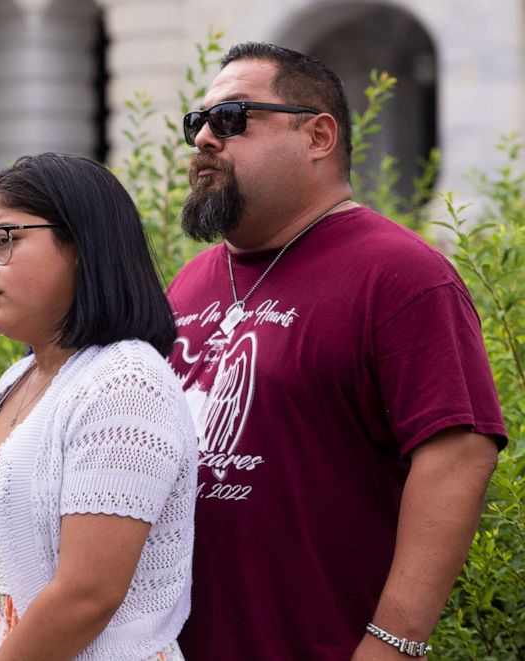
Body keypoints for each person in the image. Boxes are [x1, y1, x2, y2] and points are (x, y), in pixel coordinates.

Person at [168, 41, 507, 660]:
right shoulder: (189, 284)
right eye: (198, 122)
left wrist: (393, 644)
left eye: (233, 118)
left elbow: (457, 457)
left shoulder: (400, 274)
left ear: (318, 135)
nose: (205, 140)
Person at [0, 152, 197, 660]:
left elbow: (88, 595)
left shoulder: (126, 383)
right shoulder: (20, 377)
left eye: (4, 240)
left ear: (82, 245)